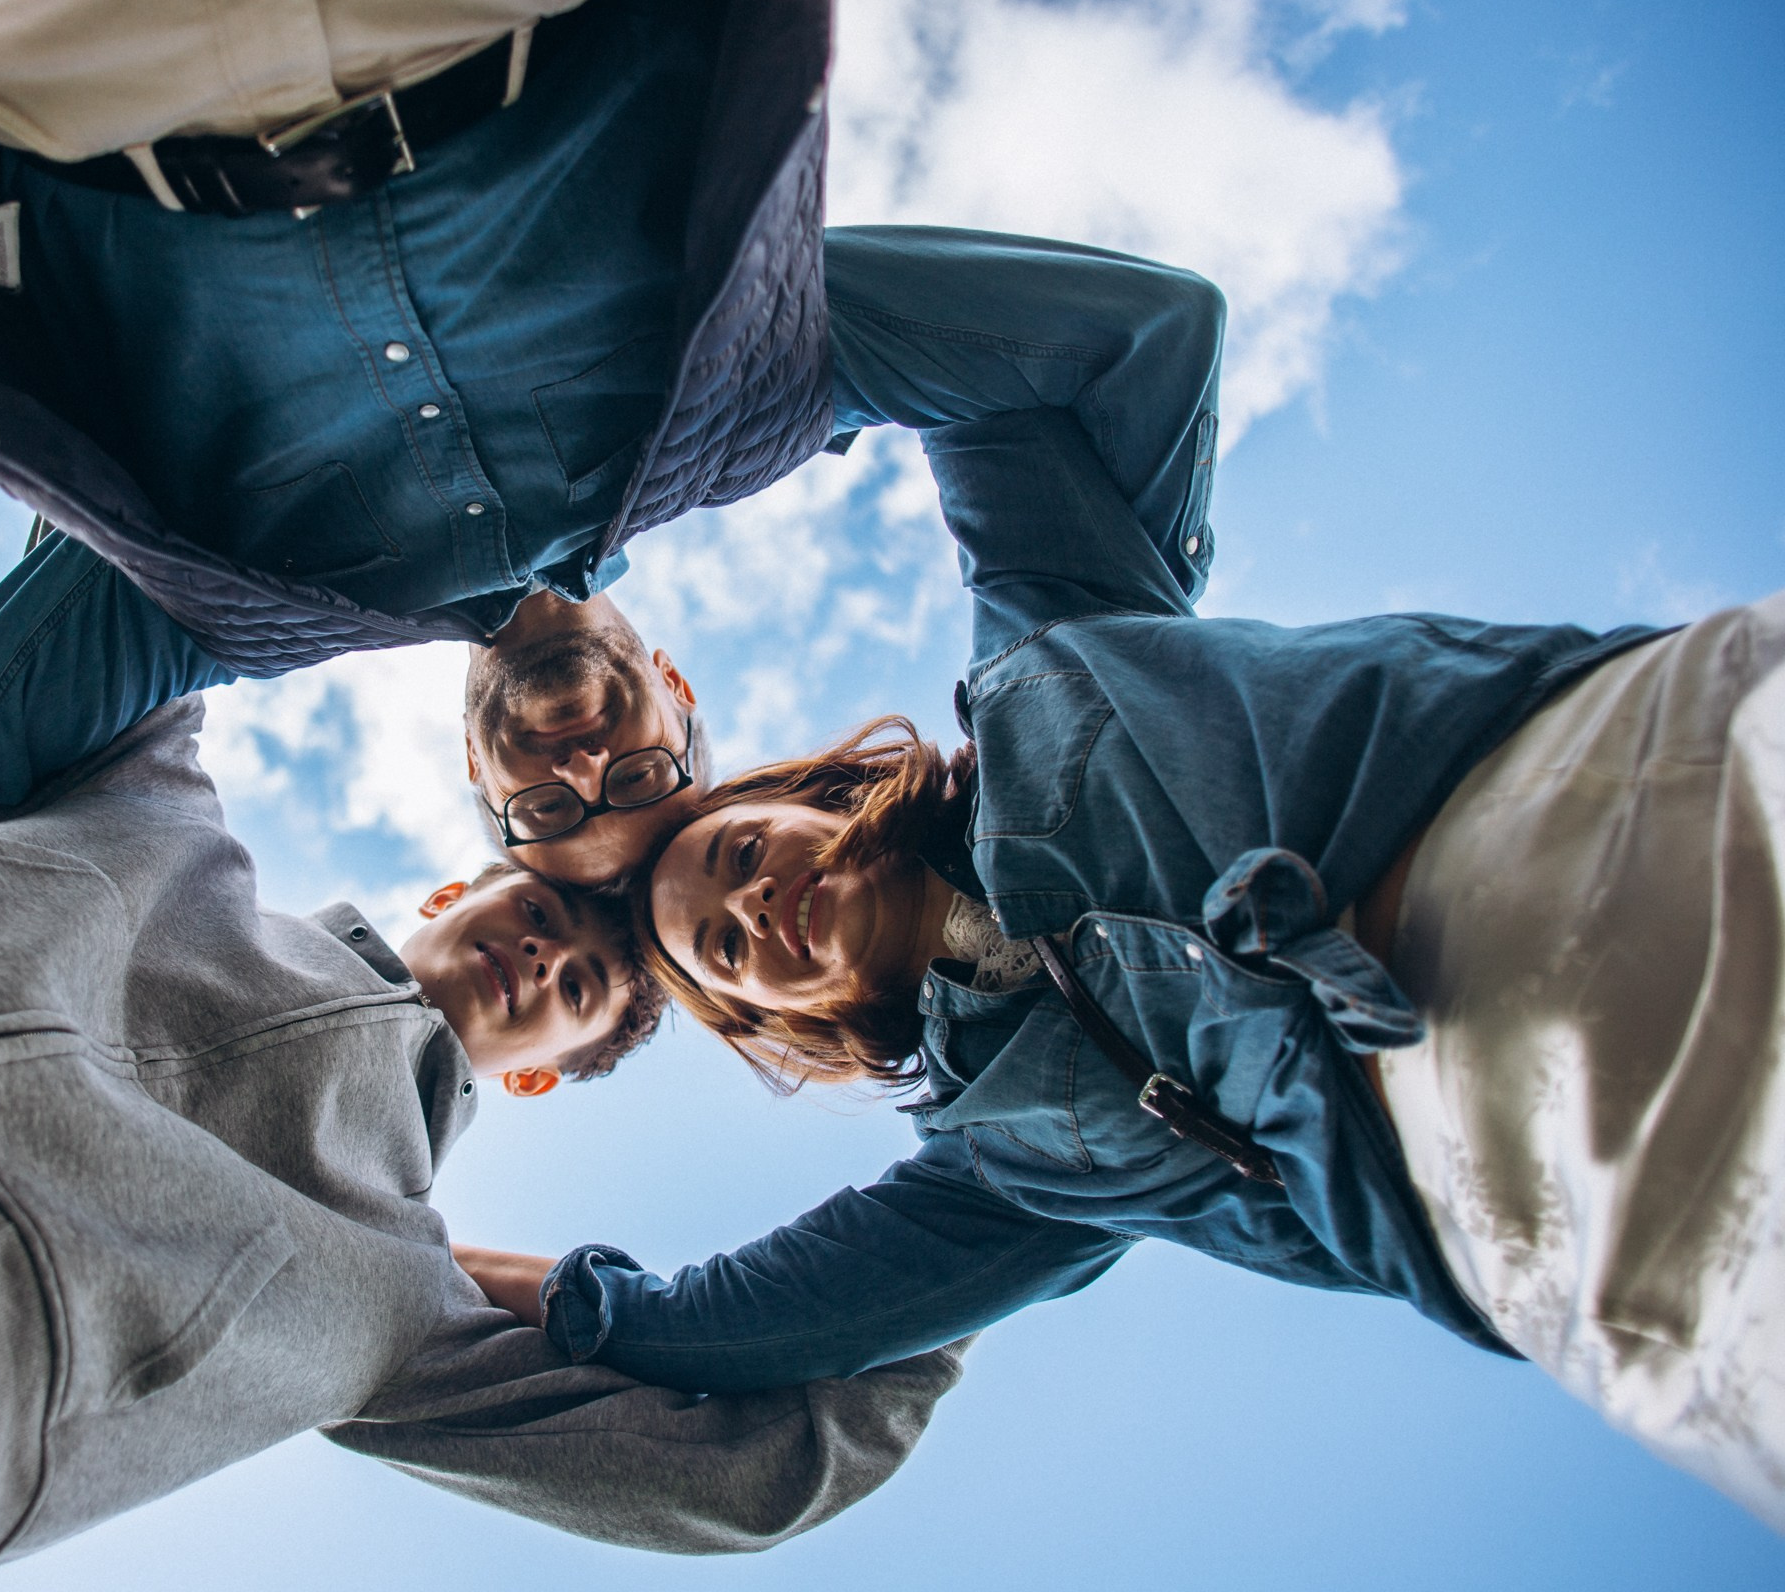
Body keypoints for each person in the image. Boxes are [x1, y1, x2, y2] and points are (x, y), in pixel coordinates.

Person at [455, 405, 1785, 1531]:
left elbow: (1028, 378)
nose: (761, 908)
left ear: (811, 797)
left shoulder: (1042, 675)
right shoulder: (1000, 1174)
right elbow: (711, 1331)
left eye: (744, 853)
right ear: (779, 1021)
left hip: (1655, 790)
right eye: (730, 953)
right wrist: (396, 1254)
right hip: (1613, 1211)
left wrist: (740, 383)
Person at [0, 694, 968, 1592]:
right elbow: (155, 545)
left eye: (586, 989)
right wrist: (524, 629)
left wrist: (1011, 1121)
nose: (545, 958)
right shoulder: (161, 810)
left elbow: (765, 1469)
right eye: (543, 914)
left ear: (548, 1075)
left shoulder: (407, 1316)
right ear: (454, 891)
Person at [0, 0, 1229, 882]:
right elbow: (1137, 341)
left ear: (483, 780)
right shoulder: (754, 394)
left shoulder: (239, 605)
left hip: (65, 49)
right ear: (669, 686)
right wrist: (1080, 743)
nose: (582, 766)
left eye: (543, 809)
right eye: (650, 777)